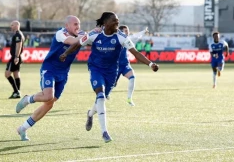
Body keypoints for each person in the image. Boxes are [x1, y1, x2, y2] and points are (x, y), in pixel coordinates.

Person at [59, 12, 159, 143]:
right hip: (96, 68)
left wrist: (150, 64)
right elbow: (78, 44)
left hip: (111, 72)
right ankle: (104, 132)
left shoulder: (121, 37)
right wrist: (66, 53)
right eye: (114, 21)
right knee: (100, 96)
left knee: (101, 99)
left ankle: (90, 113)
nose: (117, 23)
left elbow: (135, 53)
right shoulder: (94, 35)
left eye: (117, 21)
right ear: (106, 23)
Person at [15, 15, 84, 141]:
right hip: (50, 69)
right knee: (48, 96)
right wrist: (86, 37)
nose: (78, 26)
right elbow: (71, 41)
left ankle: (23, 128)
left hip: (63, 73)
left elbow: (89, 40)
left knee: (49, 104)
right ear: (67, 25)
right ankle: (27, 99)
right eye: (75, 24)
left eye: (79, 24)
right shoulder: (60, 33)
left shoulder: (82, 34)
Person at [5, 21, 25, 99]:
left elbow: (18, 46)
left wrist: (16, 56)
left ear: (17, 25)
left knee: (7, 74)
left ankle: (16, 91)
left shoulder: (18, 35)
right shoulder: (20, 34)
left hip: (15, 57)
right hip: (17, 57)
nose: (11, 26)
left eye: (12, 25)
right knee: (16, 74)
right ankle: (18, 92)